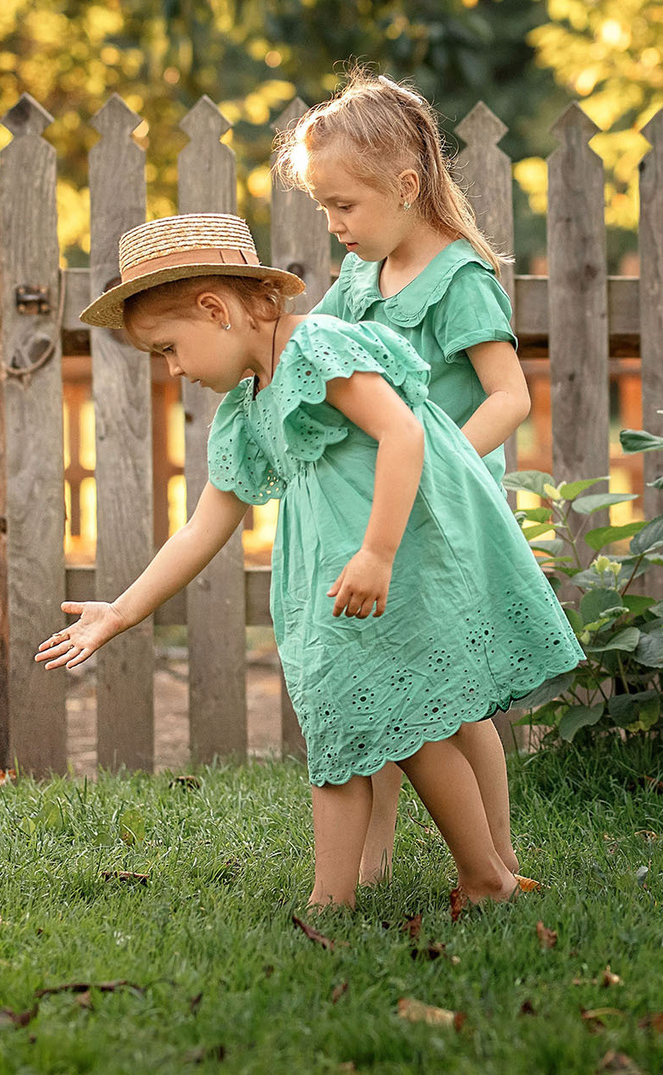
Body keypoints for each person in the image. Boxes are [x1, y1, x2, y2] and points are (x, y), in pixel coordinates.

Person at [38, 213, 578, 911]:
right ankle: (335, 896)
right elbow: (205, 525)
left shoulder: (317, 347)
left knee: (412, 728)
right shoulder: (247, 407)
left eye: (170, 349)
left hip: (389, 563)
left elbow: (403, 433)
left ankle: (485, 876)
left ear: (215, 309)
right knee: (338, 728)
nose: (173, 370)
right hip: (322, 583)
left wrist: (379, 551)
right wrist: (123, 608)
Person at [275, 72, 532, 884]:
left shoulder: (459, 280)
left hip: (447, 512)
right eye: (323, 207)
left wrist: (439, 461)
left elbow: (512, 396)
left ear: (406, 185)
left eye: (344, 204)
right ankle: (373, 859)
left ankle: (496, 855)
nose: (333, 224)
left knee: (457, 704)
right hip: (384, 507)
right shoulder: (359, 281)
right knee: (377, 681)